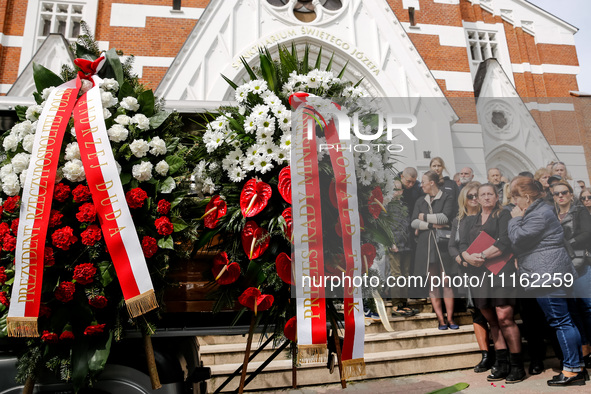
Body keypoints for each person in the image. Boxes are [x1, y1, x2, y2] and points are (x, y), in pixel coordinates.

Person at [508, 176, 585, 387]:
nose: (515, 203)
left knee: (561, 322)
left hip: (546, 273)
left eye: (516, 198)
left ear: (525, 196)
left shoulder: (539, 213)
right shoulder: (542, 210)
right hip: (552, 270)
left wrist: (515, 219)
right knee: (567, 320)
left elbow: (518, 238)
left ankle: (571, 370)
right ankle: (576, 367)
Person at [458, 183, 524, 383]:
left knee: (505, 317)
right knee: (491, 320)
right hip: (479, 274)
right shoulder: (470, 220)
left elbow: (504, 241)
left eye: (490, 194)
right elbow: (461, 244)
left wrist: (480, 255)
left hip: (501, 271)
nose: (486, 197)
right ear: (476, 198)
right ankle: (502, 364)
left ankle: (517, 366)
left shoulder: (502, 215)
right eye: (482, 194)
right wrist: (466, 257)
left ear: (496, 197)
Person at [448, 181, 494, 372]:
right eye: (471, 196)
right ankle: (485, 355)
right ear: (464, 199)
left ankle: (500, 351)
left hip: (490, 267)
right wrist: (461, 258)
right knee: (476, 311)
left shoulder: (490, 216)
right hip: (467, 269)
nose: (475, 199)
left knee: (493, 309)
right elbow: (452, 245)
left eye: (477, 195)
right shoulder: (458, 220)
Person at [411, 170, 457, 329]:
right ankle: (441, 320)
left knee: (446, 282)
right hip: (426, 245)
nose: (421, 184)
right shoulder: (419, 201)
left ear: (432, 182)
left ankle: (450, 319)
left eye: (423, 181)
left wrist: (422, 217)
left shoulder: (447, 196)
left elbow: (445, 218)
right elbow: (413, 223)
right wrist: (431, 224)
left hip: (443, 244)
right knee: (433, 283)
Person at [552, 180, 591, 368]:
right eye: (556, 193)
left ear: (570, 193)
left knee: (588, 306)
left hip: (581, 264)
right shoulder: (552, 215)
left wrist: (567, 244)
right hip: (561, 266)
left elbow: (587, 233)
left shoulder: (579, 210)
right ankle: (585, 348)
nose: (560, 196)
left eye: (564, 192)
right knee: (573, 309)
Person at [388, 177, 418, 317]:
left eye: (399, 189)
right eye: (394, 189)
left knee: (405, 275)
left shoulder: (405, 205)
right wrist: (389, 242)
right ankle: (396, 304)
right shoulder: (387, 205)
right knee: (396, 275)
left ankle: (404, 303)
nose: (397, 192)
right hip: (394, 245)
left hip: (407, 245)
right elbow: (385, 226)